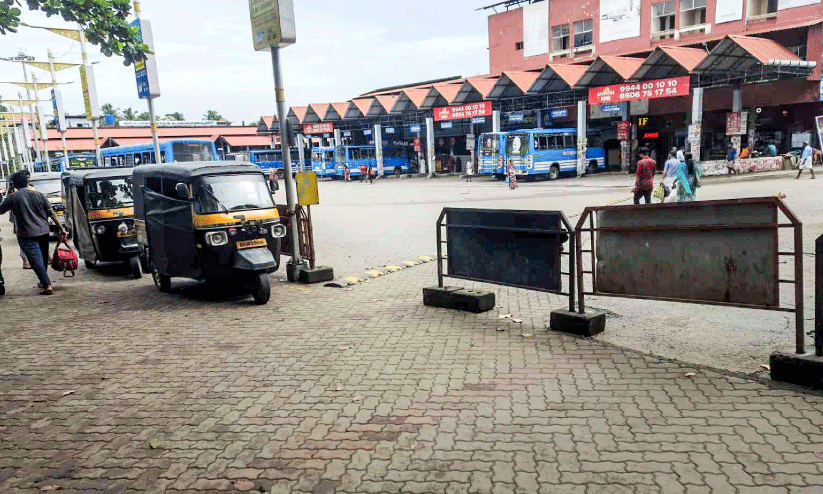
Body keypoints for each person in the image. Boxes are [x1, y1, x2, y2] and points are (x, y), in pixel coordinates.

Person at [0, 170, 67, 295]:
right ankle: (43, 282)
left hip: (26, 234)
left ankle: (46, 285)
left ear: (14, 184)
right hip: (43, 231)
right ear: (27, 182)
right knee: (41, 259)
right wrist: (62, 229)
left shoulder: (12, 198)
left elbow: (1, 210)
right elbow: (51, 213)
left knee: (36, 260)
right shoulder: (39, 195)